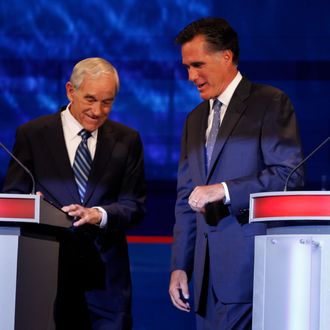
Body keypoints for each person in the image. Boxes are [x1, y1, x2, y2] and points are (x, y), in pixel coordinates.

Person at [168, 18, 304, 329]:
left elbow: (288, 175)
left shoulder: (270, 103)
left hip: (249, 271)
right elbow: (185, 199)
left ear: (226, 57)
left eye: (198, 65)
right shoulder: (194, 119)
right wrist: (180, 265)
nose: (191, 76)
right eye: (187, 67)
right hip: (203, 281)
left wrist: (225, 190)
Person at [2, 57, 146, 330]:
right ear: (70, 90)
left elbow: (135, 205)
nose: (97, 110)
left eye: (107, 102)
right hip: (46, 276)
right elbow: (12, 199)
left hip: (107, 284)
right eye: (90, 99)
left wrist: (99, 214)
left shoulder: (127, 140)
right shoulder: (32, 134)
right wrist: (32, 209)